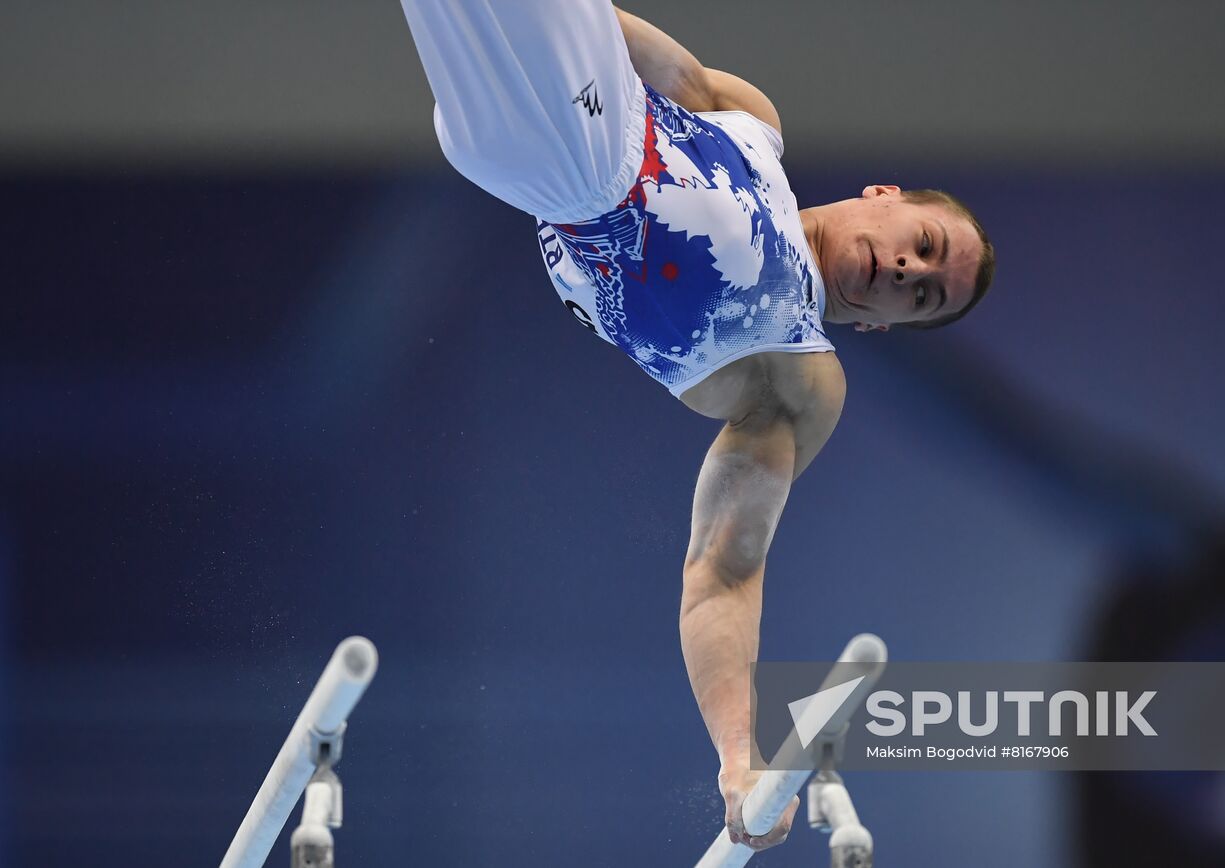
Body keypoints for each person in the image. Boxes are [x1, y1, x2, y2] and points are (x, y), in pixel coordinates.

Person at [398, 0, 996, 851]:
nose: (906, 269)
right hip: (579, 95)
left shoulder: (798, 376)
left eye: (923, 294)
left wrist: (737, 759)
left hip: (567, 166)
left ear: (882, 327)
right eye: (925, 244)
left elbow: (723, 570)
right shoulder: (754, 121)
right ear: (885, 196)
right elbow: (636, 45)